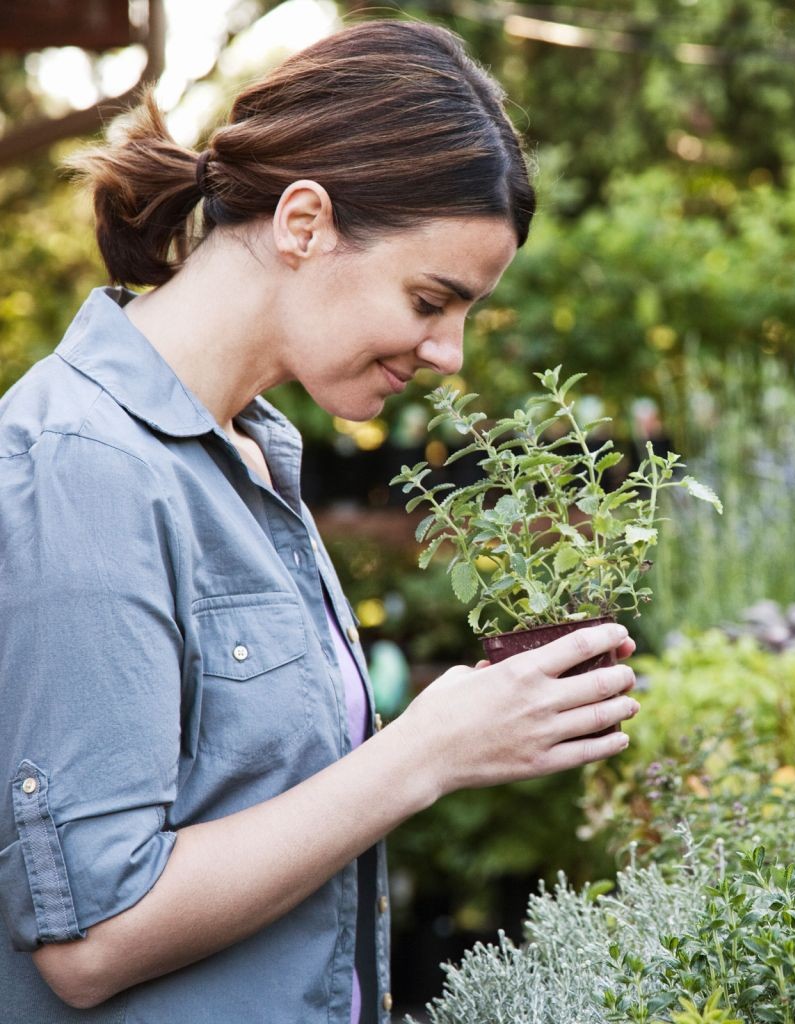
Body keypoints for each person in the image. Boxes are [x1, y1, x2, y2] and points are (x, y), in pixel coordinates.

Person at [0, 19, 639, 1024]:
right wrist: (425, 754)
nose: (449, 354)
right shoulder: (88, 466)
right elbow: (90, 937)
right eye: (432, 299)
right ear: (303, 223)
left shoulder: (252, 456)